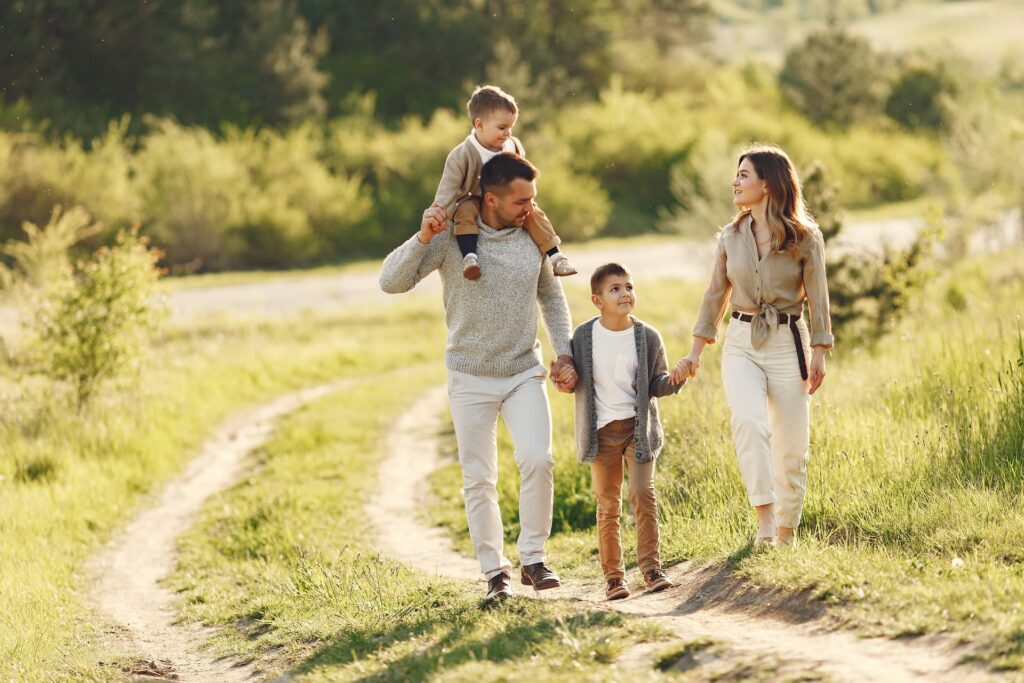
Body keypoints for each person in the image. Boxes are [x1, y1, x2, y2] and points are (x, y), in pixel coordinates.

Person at [380, 152, 577, 606]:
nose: (530, 208)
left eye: (533, 198)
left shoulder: (532, 235)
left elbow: (553, 298)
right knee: (479, 478)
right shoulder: (453, 237)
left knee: (538, 459)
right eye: (520, 200)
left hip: (523, 370)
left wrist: (563, 353)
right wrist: (421, 236)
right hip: (468, 375)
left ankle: (534, 557)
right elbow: (390, 282)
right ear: (490, 198)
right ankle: (496, 573)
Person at [671, 144, 833, 548]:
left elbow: (818, 297)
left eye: (744, 175)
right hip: (741, 341)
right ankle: (764, 520)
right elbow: (714, 295)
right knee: (749, 423)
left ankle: (785, 534)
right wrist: (695, 351)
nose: (735, 182)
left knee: (792, 446)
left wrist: (819, 352)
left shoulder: (805, 238)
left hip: (788, 342)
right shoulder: (730, 236)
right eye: (737, 174)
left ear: (768, 183)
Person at [570, 263, 685, 600]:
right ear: (597, 299)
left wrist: (675, 380)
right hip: (600, 433)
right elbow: (573, 378)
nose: (624, 293)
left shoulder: (648, 336)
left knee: (642, 495)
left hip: (638, 429)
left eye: (629, 287)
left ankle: (651, 570)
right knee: (608, 505)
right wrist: (562, 373)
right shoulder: (583, 337)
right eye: (615, 289)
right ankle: (614, 578)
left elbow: (656, 384)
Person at [431, 84, 577, 280]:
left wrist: (526, 198)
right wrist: (439, 213)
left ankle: (556, 256)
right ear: (479, 124)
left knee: (533, 212)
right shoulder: (462, 155)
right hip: (475, 198)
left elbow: (523, 173)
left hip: (508, 199)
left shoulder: (513, 145)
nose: (508, 133)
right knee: (464, 212)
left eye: (511, 127)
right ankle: (470, 257)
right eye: (502, 128)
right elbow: (448, 190)